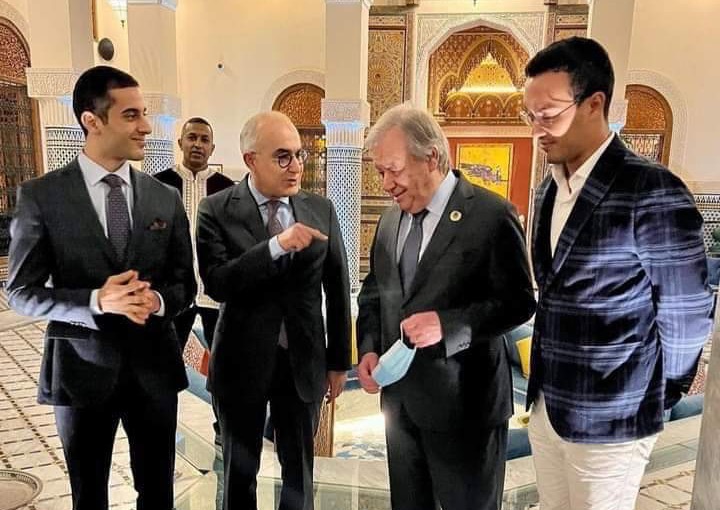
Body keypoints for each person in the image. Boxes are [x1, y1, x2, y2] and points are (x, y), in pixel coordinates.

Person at [523, 37, 714, 510]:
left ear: (594, 104)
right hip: (549, 406)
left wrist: (656, 393)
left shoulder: (649, 189)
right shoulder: (549, 189)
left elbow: (687, 313)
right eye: (530, 116)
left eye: (548, 114)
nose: (537, 130)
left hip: (614, 415)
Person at [6, 66, 196, 510]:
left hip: (154, 368)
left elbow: (185, 282)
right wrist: (96, 301)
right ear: (92, 121)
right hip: (80, 372)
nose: (146, 126)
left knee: (158, 494)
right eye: (131, 115)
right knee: (88, 497)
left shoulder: (163, 197)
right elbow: (20, 291)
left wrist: (158, 300)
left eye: (144, 113)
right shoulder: (43, 197)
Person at [356, 104, 536, 510]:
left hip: (466, 411)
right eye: (380, 172)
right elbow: (374, 292)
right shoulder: (389, 221)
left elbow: (519, 302)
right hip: (401, 408)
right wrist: (368, 348)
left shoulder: (491, 215)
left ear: (431, 157)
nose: (386, 184)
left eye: (393, 170)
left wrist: (449, 325)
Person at [196, 111, 352, 510]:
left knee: (299, 475)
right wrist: (276, 247)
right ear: (251, 159)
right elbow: (217, 283)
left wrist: (338, 363)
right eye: (283, 156)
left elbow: (337, 289)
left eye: (299, 155)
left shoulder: (321, 209)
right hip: (240, 363)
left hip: (303, 363)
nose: (296, 166)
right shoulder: (215, 209)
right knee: (239, 474)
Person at [154, 117, 233, 352]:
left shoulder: (227, 189)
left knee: (223, 358)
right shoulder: (159, 185)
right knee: (166, 357)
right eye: (192, 138)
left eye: (204, 140)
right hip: (174, 289)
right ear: (180, 143)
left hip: (215, 293)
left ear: (212, 148)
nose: (198, 144)